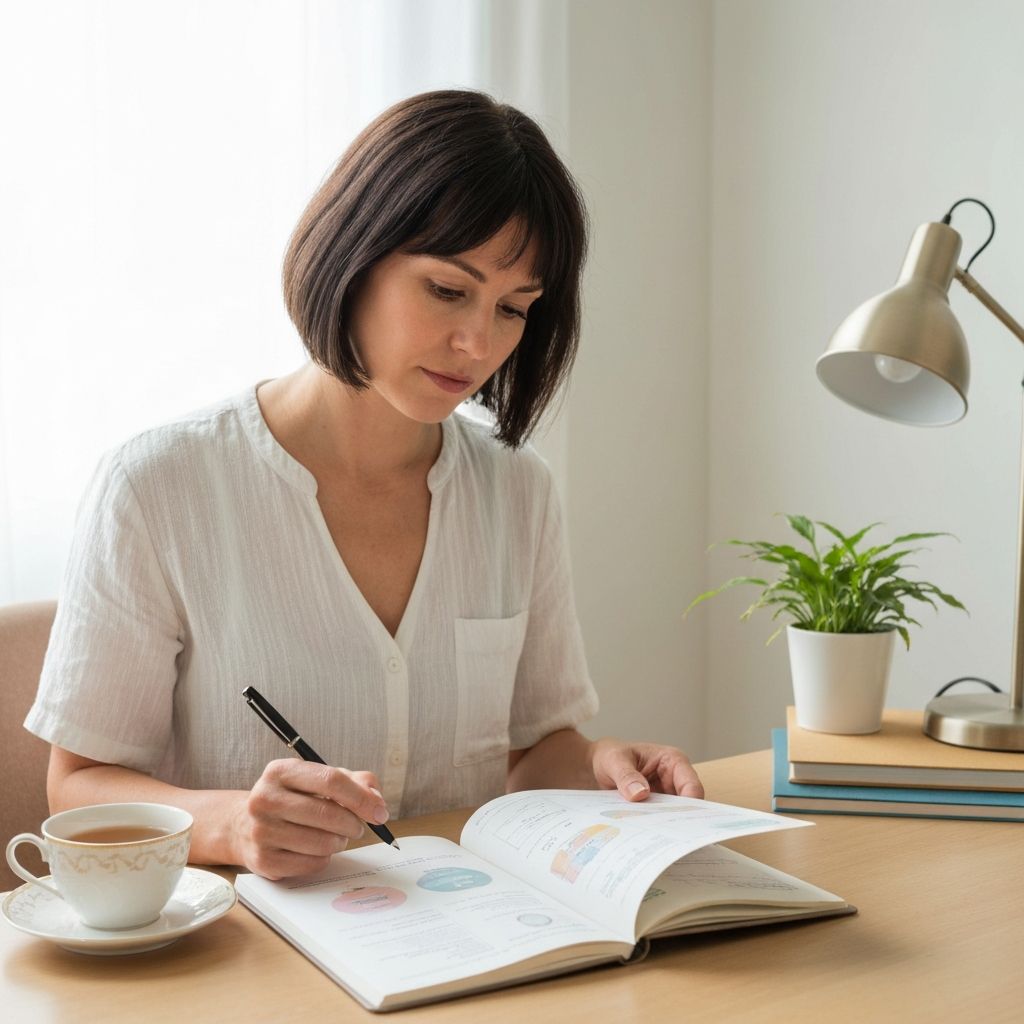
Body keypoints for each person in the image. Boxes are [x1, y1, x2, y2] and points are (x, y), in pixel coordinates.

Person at [26, 90, 703, 881]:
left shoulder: (518, 493)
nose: (478, 342)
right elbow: (77, 786)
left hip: (469, 922)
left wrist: (597, 763)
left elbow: (529, 752)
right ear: (354, 254)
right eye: (447, 290)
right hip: (252, 936)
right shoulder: (158, 489)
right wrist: (232, 827)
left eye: (514, 309)